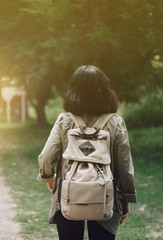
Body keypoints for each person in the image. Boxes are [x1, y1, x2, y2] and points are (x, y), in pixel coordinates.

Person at [37, 65, 136, 240]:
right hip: (106, 198)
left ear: (73, 90)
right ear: (105, 90)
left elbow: (46, 156)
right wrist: (126, 197)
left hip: (67, 197)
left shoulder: (64, 120)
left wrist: (48, 177)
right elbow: (125, 166)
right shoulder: (116, 123)